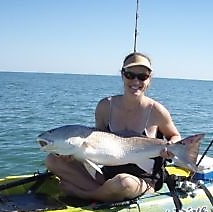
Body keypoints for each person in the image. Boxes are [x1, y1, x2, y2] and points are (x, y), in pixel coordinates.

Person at [45, 52, 181, 202]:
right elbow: (97, 145)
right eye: (130, 74)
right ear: (122, 75)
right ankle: (105, 192)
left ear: (149, 79)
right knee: (53, 160)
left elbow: (175, 137)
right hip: (107, 175)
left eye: (142, 76)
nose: (136, 80)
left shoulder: (157, 111)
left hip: (142, 181)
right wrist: (73, 153)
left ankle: (84, 194)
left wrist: (171, 148)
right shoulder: (105, 106)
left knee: (124, 183)